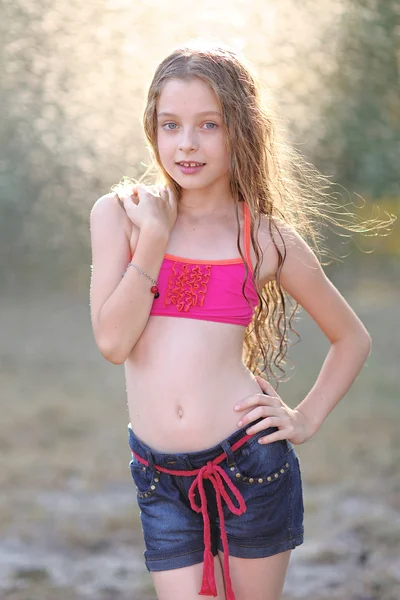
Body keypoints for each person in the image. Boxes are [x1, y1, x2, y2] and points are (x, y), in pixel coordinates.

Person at [89, 41, 372, 600]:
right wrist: (153, 238)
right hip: (161, 479)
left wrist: (305, 418)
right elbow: (113, 341)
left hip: (249, 466)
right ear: (153, 129)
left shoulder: (265, 239)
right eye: (170, 125)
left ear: (239, 130)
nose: (187, 144)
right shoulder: (120, 216)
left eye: (209, 125)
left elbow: (351, 338)